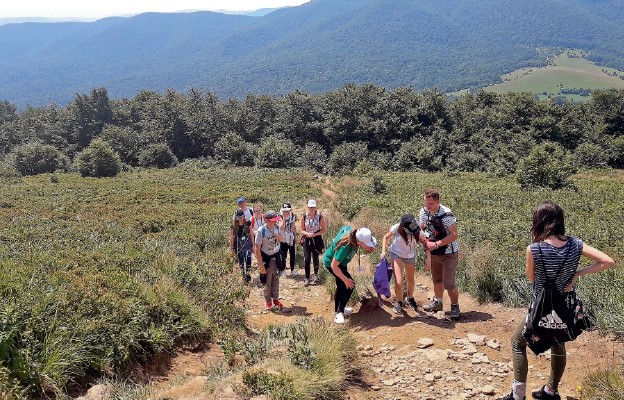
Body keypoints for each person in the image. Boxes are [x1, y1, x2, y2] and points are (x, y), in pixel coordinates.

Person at [501, 201, 614, 400]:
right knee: (558, 343)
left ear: (539, 222)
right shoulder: (576, 244)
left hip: (541, 306)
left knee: (518, 342)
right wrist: (576, 273)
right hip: (566, 305)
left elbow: (532, 278)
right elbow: (607, 261)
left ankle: (518, 395)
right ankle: (551, 391)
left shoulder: (534, 249)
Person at [419, 188, 461, 320]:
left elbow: (454, 235)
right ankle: (438, 302)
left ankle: (455, 306)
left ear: (438, 202)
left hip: (449, 253)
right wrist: (428, 253)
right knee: (437, 280)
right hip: (434, 252)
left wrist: (437, 244)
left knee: (449, 283)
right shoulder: (423, 212)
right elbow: (423, 229)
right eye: (426, 203)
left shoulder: (447, 214)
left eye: (430, 204)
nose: (427, 206)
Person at [323, 226, 377, 324]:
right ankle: (339, 313)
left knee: (341, 285)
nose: (368, 246)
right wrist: (345, 279)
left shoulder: (353, 234)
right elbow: (334, 266)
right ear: (359, 241)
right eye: (367, 243)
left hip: (341, 263)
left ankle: (338, 310)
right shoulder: (345, 246)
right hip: (332, 264)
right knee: (350, 285)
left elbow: (345, 227)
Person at [380, 214, 427, 314]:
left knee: (410, 279)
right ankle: (399, 302)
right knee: (398, 281)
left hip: (410, 255)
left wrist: (429, 258)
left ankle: (410, 298)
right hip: (396, 253)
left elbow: (425, 242)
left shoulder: (417, 228)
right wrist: (383, 251)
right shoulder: (396, 228)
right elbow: (385, 237)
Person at [255, 210, 285, 311]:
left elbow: (282, 239)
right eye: (273, 220)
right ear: (266, 220)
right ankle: (268, 301)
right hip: (266, 258)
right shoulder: (261, 231)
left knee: (276, 280)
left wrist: (279, 237)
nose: (275, 222)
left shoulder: (277, 227)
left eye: (276, 220)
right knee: (267, 280)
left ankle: (275, 299)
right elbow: (257, 250)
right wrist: (261, 266)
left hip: (276, 257)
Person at [300, 199, 327, 286]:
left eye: (313, 207)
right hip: (307, 240)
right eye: (310, 207)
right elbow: (302, 230)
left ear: (316, 207)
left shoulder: (320, 217)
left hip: (317, 240)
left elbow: (324, 230)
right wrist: (307, 234)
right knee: (307, 259)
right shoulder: (304, 216)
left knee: (316, 258)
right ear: (308, 207)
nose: (311, 209)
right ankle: (307, 277)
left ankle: (315, 275)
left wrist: (315, 234)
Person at [230, 208, 253, 282]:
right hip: (239, 247)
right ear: (236, 217)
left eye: (242, 217)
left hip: (248, 246)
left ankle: (248, 275)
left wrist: (254, 245)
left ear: (244, 216)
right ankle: (243, 276)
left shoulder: (248, 223)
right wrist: (231, 249)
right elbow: (232, 238)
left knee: (248, 261)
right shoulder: (234, 226)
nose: (240, 219)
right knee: (241, 262)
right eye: (239, 217)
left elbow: (252, 234)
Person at [279, 203, 298, 277]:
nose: (286, 212)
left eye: (288, 211)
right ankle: (283, 270)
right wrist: (284, 218)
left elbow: (293, 226)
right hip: (283, 236)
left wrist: (295, 236)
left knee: (292, 253)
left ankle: (292, 270)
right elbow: (281, 227)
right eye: (285, 210)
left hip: (290, 236)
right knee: (284, 254)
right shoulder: (280, 216)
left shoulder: (292, 215)